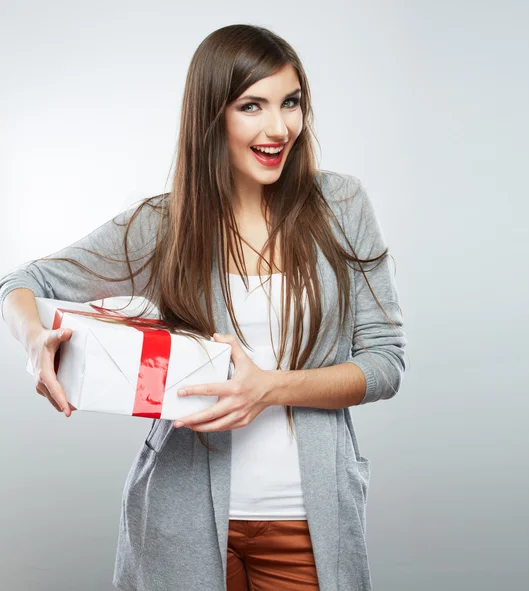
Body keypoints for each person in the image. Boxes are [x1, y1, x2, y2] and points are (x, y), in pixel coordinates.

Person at [0, 24, 408, 591]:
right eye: (252, 106)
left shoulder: (340, 205)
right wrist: (34, 341)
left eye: (291, 103)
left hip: (306, 523)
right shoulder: (167, 224)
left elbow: (385, 364)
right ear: (212, 117)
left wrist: (269, 387)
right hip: (178, 519)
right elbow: (23, 281)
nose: (279, 127)